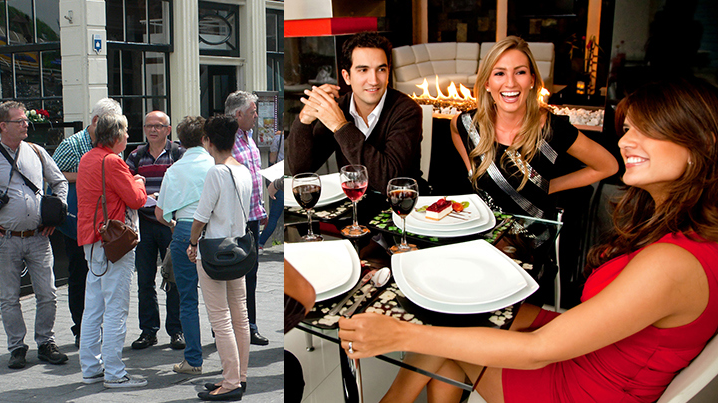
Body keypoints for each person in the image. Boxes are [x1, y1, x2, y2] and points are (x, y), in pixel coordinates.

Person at [341, 76, 718, 403]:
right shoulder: (685, 233)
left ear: (702, 141)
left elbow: (538, 351)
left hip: (579, 387)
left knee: (442, 330)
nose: (625, 143)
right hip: (595, 350)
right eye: (628, 130)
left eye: (647, 131)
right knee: (459, 312)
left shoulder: (673, 263)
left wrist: (401, 334)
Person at [450, 36, 618, 220]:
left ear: (532, 80)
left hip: (532, 236)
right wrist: (471, 170)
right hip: (483, 228)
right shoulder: (470, 123)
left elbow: (608, 166)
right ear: (487, 84)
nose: (510, 83)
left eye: (519, 72)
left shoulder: (552, 128)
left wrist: (551, 186)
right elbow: (455, 128)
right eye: (500, 73)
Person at [0, 101, 70, 369]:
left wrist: (57, 212)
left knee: (48, 294)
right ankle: (17, 347)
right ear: (3, 126)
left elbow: (60, 182)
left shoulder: (37, 152)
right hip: (4, 239)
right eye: (19, 121)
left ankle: (46, 343)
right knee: (9, 297)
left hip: (39, 237)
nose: (25, 124)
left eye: (25, 120)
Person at [286, 32, 424, 192]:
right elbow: (301, 171)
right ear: (347, 77)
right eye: (363, 70)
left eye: (381, 69)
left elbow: (388, 180)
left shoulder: (407, 110)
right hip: (353, 202)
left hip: (402, 205)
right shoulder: (341, 107)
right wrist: (304, 120)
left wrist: (340, 126)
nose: (373, 80)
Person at [76, 113, 149, 388]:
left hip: (91, 239)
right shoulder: (112, 161)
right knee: (116, 306)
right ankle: (115, 373)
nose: (129, 137)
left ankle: (91, 367)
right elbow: (136, 198)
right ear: (116, 136)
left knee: (93, 305)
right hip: (113, 241)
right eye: (126, 132)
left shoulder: (87, 158)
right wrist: (139, 180)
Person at [186, 115, 253, 401]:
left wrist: (191, 243)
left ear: (207, 141)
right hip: (238, 249)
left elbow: (201, 218)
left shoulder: (217, 172)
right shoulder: (244, 170)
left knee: (220, 318)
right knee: (240, 316)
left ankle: (229, 382)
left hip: (213, 250)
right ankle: (239, 376)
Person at [51, 97, 123, 347]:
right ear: (95, 121)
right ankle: (81, 328)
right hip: (77, 223)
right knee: (79, 275)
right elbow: (52, 174)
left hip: (106, 224)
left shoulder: (112, 142)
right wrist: (87, 174)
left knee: (101, 278)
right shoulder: (71, 146)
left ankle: (97, 328)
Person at [156, 116, 214, 375]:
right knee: (222, 301)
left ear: (181, 141)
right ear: (205, 138)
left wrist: (174, 224)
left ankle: (193, 360)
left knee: (187, 300)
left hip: (183, 231)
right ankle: (231, 359)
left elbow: (161, 214)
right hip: (214, 232)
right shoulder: (215, 165)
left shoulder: (174, 169)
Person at [127, 110, 186, 351]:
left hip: (171, 224)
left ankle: (176, 330)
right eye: (149, 126)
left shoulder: (179, 154)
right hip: (145, 225)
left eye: (158, 126)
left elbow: (186, 185)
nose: (153, 130)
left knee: (174, 279)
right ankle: (148, 331)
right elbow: (127, 185)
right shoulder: (135, 155)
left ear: (168, 130)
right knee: (144, 279)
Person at [224, 90, 270, 346]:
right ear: (238, 114)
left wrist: (261, 209)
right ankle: (229, 326)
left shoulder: (249, 136)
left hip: (252, 217)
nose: (256, 116)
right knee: (232, 274)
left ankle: (249, 324)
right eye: (252, 112)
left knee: (251, 274)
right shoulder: (226, 140)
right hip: (233, 220)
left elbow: (253, 175)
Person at [259, 130, 285, 248]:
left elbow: (272, 159)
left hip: (279, 179)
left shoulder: (278, 138)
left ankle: (261, 242)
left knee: (274, 215)